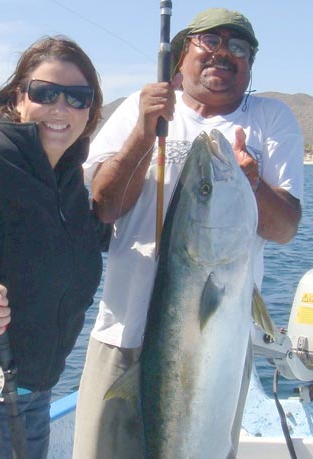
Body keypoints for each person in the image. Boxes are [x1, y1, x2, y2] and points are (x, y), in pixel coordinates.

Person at [73, 7, 304, 459]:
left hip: (216, 347)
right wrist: (144, 130)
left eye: (238, 47)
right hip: (121, 334)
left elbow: (285, 229)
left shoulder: (272, 120)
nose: (223, 54)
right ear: (181, 57)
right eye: (209, 43)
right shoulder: (141, 109)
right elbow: (104, 207)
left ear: (251, 64)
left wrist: (253, 182)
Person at [0, 35, 103, 459]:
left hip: (34, 396)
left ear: (91, 109)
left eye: (78, 97)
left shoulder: (70, 177)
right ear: (20, 97)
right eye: (45, 93)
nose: (61, 108)